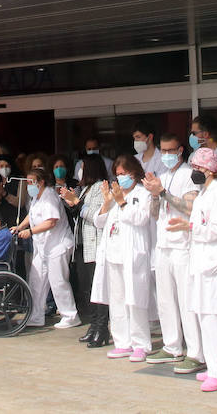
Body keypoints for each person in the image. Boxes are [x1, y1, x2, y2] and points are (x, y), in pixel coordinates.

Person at [168, 146, 217, 393]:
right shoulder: (205, 191)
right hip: (204, 259)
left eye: (197, 168)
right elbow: (202, 223)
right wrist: (189, 225)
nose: (194, 172)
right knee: (208, 316)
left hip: (214, 260)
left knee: (213, 319)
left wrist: (190, 228)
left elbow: (216, 229)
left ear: (209, 170)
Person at [143, 132, 199, 368]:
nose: (165, 155)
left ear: (180, 150)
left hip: (183, 245)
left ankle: (196, 351)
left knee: (187, 300)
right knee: (165, 300)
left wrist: (163, 192)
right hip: (163, 244)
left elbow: (190, 207)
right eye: (162, 151)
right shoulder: (162, 175)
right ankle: (171, 345)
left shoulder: (189, 175)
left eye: (169, 151)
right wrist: (155, 194)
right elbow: (154, 213)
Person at [91, 154, 154, 363]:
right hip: (113, 255)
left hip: (133, 255)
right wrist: (109, 202)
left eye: (124, 173)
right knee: (117, 301)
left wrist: (121, 201)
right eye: (117, 174)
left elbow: (141, 219)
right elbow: (99, 222)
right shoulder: (115, 196)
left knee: (134, 300)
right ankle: (122, 342)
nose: (121, 178)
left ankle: (140, 344)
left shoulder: (142, 194)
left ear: (134, 173)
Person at [13, 166, 79, 329]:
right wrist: (20, 227)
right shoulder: (37, 197)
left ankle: (70, 315)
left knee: (58, 282)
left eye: (32, 182)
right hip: (42, 247)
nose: (29, 186)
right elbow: (32, 214)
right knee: (36, 281)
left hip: (57, 245)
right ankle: (35, 316)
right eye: (27, 182)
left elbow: (51, 221)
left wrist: (30, 231)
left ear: (41, 182)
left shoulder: (50, 196)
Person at [60, 152, 110, 347]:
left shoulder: (99, 188)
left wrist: (77, 202)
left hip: (94, 244)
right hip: (81, 244)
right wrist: (70, 200)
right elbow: (78, 213)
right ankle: (93, 326)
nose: (79, 171)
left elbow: (96, 215)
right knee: (87, 288)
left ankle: (101, 327)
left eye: (82, 167)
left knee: (97, 289)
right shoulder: (86, 188)